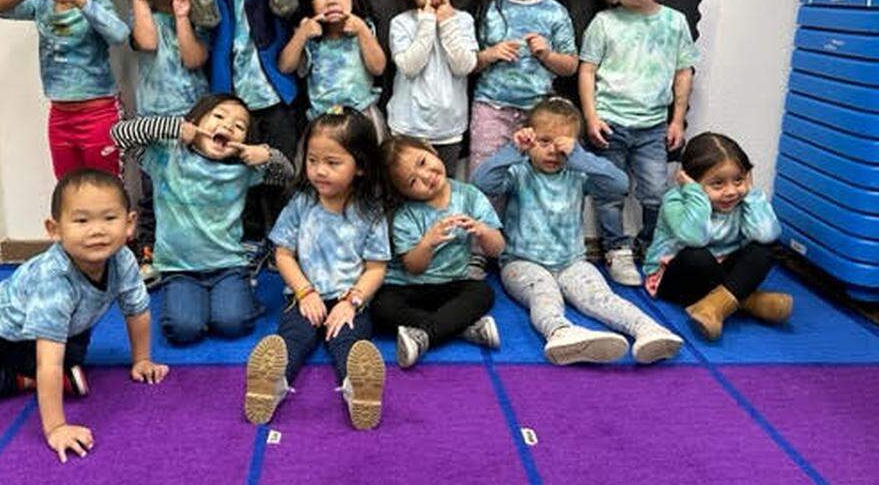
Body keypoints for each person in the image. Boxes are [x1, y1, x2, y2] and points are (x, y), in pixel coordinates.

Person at [0, 169, 168, 463]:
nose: (97, 230)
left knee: (70, 354)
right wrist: (56, 427)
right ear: (55, 229)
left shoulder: (123, 259)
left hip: (58, 335)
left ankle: (44, 374)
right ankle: (26, 380)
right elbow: (49, 361)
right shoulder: (54, 279)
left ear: (129, 223)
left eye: (109, 218)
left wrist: (142, 359)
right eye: (82, 220)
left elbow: (137, 310)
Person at [472, 98, 682, 364]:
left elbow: (619, 185)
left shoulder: (577, 174)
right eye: (544, 141)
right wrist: (514, 150)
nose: (552, 151)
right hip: (521, 262)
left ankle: (648, 329)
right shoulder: (518, 172)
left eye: (561, 145)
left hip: (572, 261)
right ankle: (560, 333)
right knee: (544, 295)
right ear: (529, 139)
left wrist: (579, 156)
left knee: (601, 297)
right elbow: (481, 182)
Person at [244, 108, 389, 430]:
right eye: (312, 160)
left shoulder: (371, 212)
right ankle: (271, 385)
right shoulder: (301, 203)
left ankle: (358, 391)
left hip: (349, 299)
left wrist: (351, 302)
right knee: (294, 337)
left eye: (332, 163)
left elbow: (376, 268)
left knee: (348, 341)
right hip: (304, 295)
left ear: (361, 166)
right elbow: (283, 254)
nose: (319, 171)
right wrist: (304, 291)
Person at [109, 94, 293, 344]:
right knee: (183, 330)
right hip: (179, 269)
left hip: (228, 266)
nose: (228, 126)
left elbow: (288, 175)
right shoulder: (165, 157)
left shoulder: (243, 170)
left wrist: (267, 155)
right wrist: (174, 127)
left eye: (239, 126)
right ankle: (208, 300)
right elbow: (119, 134)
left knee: (233, 324)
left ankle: (239, 294)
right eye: (219, 116)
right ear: (195, 121)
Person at [173, 0, 299, 237]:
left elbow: (286, 6)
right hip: (232, 105)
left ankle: (284, 242)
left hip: (274, 100)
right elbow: (205, 19)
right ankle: (249, 241)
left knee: (280, 174)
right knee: (237, 177)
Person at [578, 0, 699, 286]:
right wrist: (591, 117)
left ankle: (648, 244)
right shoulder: (604, 23)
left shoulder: (675, 22)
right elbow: (587, 70)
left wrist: (677, 120)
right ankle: (616, 249)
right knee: (609, 191)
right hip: (610, 123)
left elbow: (684, 72)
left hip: (653, 127)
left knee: (656, 192)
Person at [0, 0, 130, 178]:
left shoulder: (98, 7)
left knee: (106, 187)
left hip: (99, 113)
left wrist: (80, 1)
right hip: (61, 115)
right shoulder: (42, 4)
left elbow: (119, 34)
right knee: (67, 185)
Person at [114, 0, 209, 273]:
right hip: (155, 124)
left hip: (196, 120)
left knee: (197, 187)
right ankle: (149, 250)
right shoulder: (140, 18)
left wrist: (182, 17)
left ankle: (198, 249)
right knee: (155, 190)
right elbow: (148, 43)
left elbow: (194, 59)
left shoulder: (197, 12)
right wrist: (139, 2)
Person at [373, 136, 505, 368]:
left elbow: (498, 249)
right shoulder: (406, 214)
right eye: (413, 181)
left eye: (423, 162)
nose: (426, 176)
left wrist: (483, 231)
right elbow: (414, 267)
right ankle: (462, 328)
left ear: (430, 149)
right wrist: (427, 243)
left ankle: (424, 335)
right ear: (403, 193)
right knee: (380, 308)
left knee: (483, 292)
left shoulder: (469, 195)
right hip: (407, 286)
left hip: (452, 283)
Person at [645, 132, 792, 340]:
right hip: (677, 275)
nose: (731, 191)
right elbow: (695, 238)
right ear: (691, 181)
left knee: (767, 247)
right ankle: (749, 301)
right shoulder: (675, 201)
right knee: (697, 256)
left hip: (719, 269)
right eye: (718, 184)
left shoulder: (741, 202)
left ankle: (713, 307)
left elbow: (767, 234)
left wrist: (750, 193)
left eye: (738, 180)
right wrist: (695, 194)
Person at [468, 0, 578, 178]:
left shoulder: (555, 12)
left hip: (540, 112)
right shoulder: (490, 10)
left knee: (532, 179)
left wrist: (547, 55)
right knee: (487, 173)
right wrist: (491, 54)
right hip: (492, 109)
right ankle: (486, 208)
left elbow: (571, 65)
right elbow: (469, 64)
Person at [386, 0, 478, 175]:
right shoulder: (401, 23)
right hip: (408, 128)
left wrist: (447, 22)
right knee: (407, 184)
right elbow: (409, 67)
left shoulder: (463, 20)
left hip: (449, 130)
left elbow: (464, 66)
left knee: (443, 184)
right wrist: (427, 22)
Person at [279, 0, 388, 141]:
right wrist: (301, 34)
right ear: (310, 3)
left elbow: (378, 68)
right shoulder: (311, 38)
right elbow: (285, 67)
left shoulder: (364, 29)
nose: (331, 0)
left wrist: (362, 31)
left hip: (361, 116)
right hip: (324, 121)